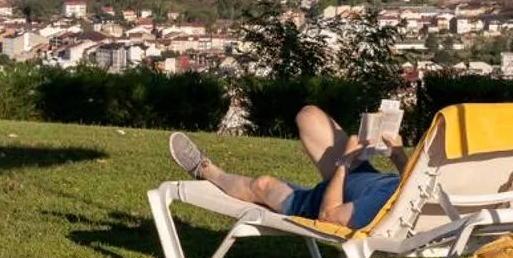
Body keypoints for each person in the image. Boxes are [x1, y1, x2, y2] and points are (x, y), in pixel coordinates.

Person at [168, 105, 407, 230]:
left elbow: (328, 217)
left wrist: (344, 163)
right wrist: (398, 156)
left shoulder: (376, 209)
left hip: (324, 200)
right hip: (368, 179)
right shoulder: (428, 184)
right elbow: (412, 181)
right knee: (309, 116)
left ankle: (206, 170)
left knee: (262, 185)